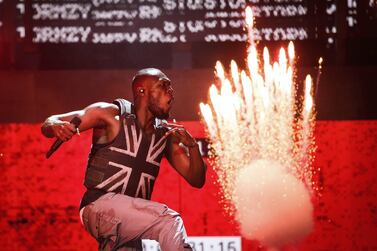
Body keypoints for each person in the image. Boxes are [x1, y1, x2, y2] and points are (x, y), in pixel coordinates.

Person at [41, 68, 207, 251]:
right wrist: (55, 126)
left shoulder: (165, 135)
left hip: (127, 221)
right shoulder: (111, 114)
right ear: (141, 91)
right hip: (99, 206)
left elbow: (196, 179)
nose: (171, 91)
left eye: (171, 87)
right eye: (164, 85)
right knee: (168, 221)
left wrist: (193, 147)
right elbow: (52, 121)